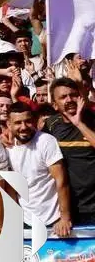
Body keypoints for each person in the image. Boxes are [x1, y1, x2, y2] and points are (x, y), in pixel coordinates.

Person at [7, 103, 71, 236]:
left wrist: (65, 217)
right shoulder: (6, 148)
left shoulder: (46, 141)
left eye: (28, 121)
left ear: (34, 120)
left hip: (54, 220)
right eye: (18, 123)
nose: (24, 127)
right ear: (9, 124)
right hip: (25, 220)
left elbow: (61, 181)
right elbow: (11, 187)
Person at [40, 77, 95, 225]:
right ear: (54, 105)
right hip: (66, 207)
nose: (69, 100)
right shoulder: (51, 125)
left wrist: (79, 124)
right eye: (63, 97)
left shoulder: (92, 119)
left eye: (73, 95)